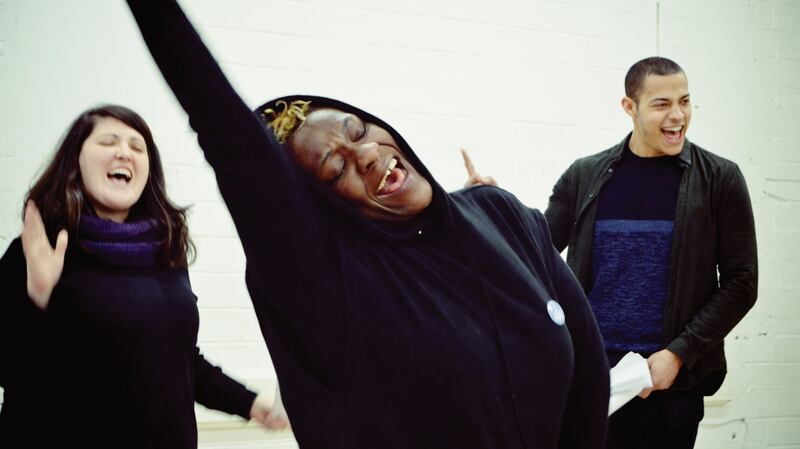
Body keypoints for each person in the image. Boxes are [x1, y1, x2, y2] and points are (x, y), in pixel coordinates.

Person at [121, 1, 610, 448]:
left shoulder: (501, 215)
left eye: (357, 131)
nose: (369, 154)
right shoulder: (328, 282)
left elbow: (588, 369)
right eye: (337, 169)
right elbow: (225, 131)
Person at [0, 105, 287, 449]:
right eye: (109, 142)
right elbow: (12, 372)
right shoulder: (40, 248)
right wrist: (37, 298)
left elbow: (179, 363)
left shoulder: (165, 253)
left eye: (138, 147)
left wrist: (250, 404)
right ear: (75, 160)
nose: (124, 151)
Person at [545, 57, 758, 448]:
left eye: (685, 101)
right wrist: (488, 203)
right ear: (630, 107)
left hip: (673, 384)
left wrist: (677, 355)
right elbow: (533, 252)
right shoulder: (583, 175)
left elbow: (742, 283)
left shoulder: (720, 179)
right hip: (594, 378)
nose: (677, 115)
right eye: (661, 104)